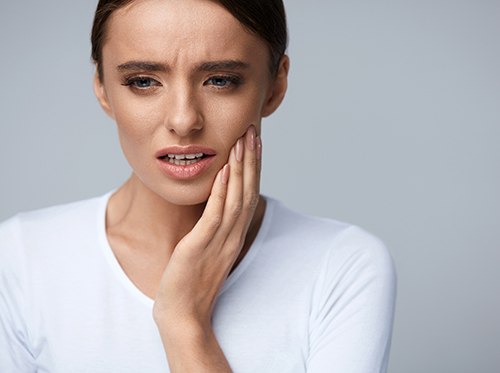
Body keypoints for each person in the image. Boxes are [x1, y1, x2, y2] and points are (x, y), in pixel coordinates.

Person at [0, 0, 396, 372]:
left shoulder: (341, 266)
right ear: (103, 87)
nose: (184, 119)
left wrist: (184, 324)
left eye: (220, 80)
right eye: (143, 81)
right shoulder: (19, 260)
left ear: (275, 86)